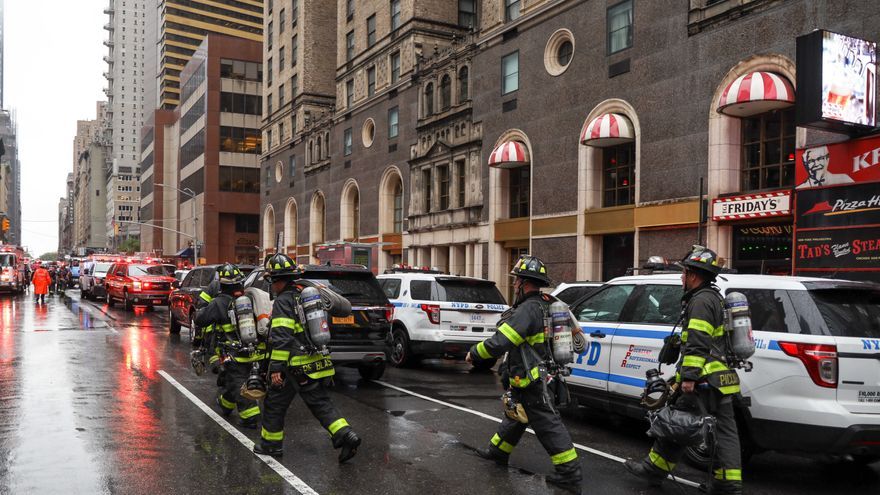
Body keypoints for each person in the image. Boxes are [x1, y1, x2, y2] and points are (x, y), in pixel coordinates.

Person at [624, 246, 742, 495]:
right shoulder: (714, 298)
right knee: (724, 433)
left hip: (703, 379)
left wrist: (688, 377)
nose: (681, 278)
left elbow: (698, 340)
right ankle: (728, 485)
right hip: (723, 378)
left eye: (683, 273)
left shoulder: (700, 301)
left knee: (676, 425)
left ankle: (653, 470)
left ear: (693, 274)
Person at [466, 255, 582, 494]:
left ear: (523, 282)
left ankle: (569, 473)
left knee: (547, 424)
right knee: (517, 415)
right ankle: (498, 451)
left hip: (532, 379)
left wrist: (474, 354)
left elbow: (502, 341)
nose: (514, 284)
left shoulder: (528, 309)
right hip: (535, 375)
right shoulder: (548, 303)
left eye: (516, 280)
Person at [254, 253, 361, 462]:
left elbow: (282, 337)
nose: (271, 286)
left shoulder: (284, 300)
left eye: (271, 281)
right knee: (321, 403)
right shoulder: (305, 295)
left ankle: (271, 446)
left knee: (274, 404)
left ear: (276, 280)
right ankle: (346, 435)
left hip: (293, 366)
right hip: (315, 361)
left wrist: (276, 368)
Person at [194, 263, 263, 428]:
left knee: (238, 382)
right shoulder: (251, 298)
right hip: (255, 351)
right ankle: (224, 404)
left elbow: (200, 319)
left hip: (233, 354)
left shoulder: (218, 302)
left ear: (221, 284)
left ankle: (250, 417)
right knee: (231, 381)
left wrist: (203, 306)